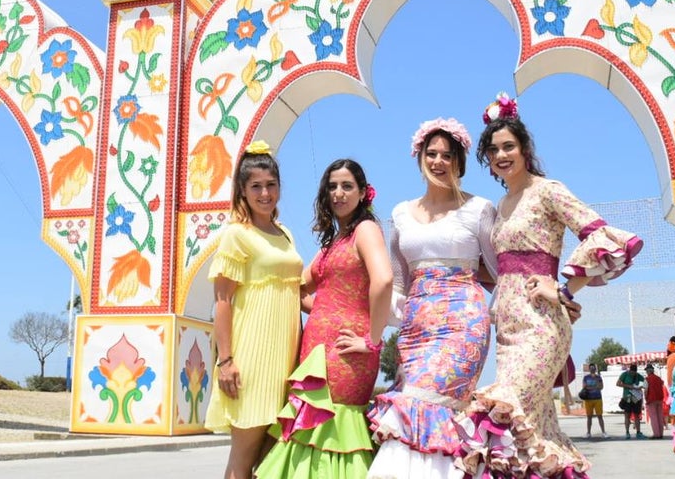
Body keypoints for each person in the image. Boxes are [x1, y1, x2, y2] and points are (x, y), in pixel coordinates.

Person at [458, 93, 643, 479]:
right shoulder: (501, 204)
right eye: (493, 150)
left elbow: (598, 234)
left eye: (508, 146)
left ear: (525, 149)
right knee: (535, 430)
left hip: (542, 323)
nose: (501, 155)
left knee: (505, 408)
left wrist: (564, 292)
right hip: (506, 326)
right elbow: (500, 268)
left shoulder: (548, 190)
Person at [366, 117, 498, 479]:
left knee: (425, 404)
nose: (439, 161)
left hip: (463, 327)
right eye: (432, 153)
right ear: (419, 157)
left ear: (460, 163)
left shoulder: (480, 209)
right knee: (408, 404)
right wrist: (371, 331)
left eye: (448, 155)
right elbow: (398, 282)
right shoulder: (400, 214)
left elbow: (500, 270)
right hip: (416, 330)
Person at [257, 159, 393, 479]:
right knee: (310, 429)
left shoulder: (365, 230)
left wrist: (372, 341)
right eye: (332, 186)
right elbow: (299, 287)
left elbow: (384, 280)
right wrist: (321, 311)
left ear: (363, 193)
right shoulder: (333, 242)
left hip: (348, 353)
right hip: (315, 350)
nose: (338, 193)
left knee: (334, 430)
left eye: (347, 186)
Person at [205, 141, 304, 479]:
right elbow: (222, 301)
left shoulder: (285, 233)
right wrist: (226, 360)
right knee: (244, 458)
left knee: (270, 457)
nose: (265, 193)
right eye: (256, 187)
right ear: (243, 192)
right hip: (252, 357)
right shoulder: (236, 234)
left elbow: (295, 290)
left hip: (285, 356)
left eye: (271, 185)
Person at [617, 363, 646, 439]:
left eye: (634, 373)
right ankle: (627, 432)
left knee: (637, 415)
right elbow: (618, 383)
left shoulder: (638, 375)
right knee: (627, 415)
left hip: (636, 398)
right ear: (629, 370)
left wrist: (640, 387)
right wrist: (629, 386)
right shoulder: (624, 374)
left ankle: (638, 432)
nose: (633, 374)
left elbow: (645, 383)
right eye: (631, 372)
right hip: (627, 397)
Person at [580, 363, 606, 438]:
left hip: (598, 398)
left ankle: (603, 432)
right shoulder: (586, 377)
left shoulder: (598, 377)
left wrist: (590, 387)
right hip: (588, 399)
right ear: (589, 369)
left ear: (595, 369)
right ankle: (588, 433)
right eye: (591, 368)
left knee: (600, 416)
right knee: (589, 417)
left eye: (593, 368)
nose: (592, 369)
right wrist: (595, 387)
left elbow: (601, 387)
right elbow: (584, 387)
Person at [644, 364, 667, 439]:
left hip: (651, 399)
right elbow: (662, 384)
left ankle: (656, 434)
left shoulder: (647, 379)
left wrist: (646, 398)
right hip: (659, 399)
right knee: (660, 416)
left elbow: (646, 390)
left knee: (653, 417)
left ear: (648, 371)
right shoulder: (659, 378)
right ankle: (661, 433)